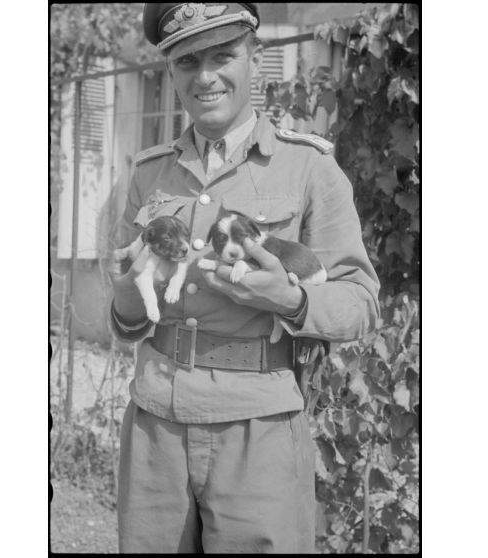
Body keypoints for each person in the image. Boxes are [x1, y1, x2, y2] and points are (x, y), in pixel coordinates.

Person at [109, 3, 380, 553]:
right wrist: (123, 295)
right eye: (187, 62)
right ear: (171, 71)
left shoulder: (310, 168)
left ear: (254, 58)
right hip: (155, 427)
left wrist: (292, 299)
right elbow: (126, 318)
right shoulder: (148, 173)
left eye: (222, 56)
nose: (205, 77)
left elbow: (360, 303)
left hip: (258, 432)